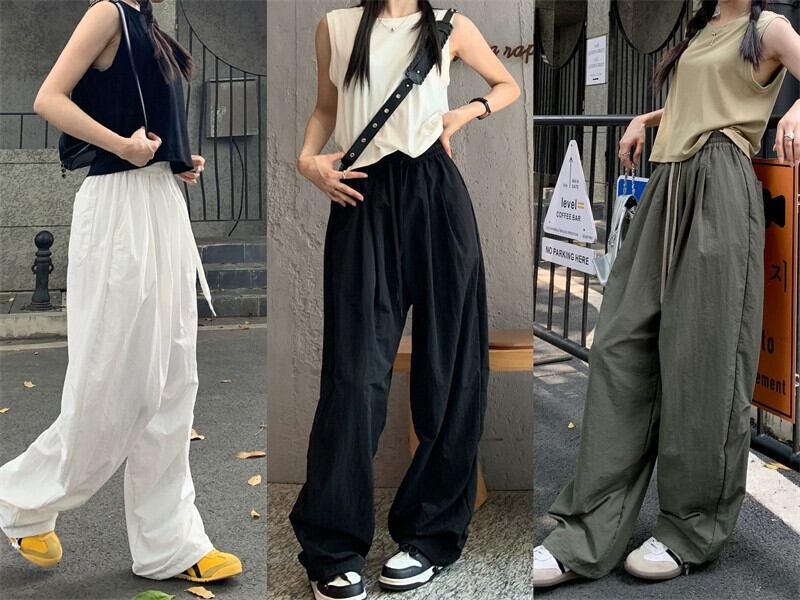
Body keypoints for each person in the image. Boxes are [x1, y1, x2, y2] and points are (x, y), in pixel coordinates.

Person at [534, 0, 800, 588]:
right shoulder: (703, 28)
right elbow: (697, 99)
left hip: (720, 186)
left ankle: (691, 528)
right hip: (666, 185)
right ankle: (587, 530)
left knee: (703, 361)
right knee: (620, 345)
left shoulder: (769, 29)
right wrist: (646, 118)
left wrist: (796, 111)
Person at [0, 0, 242, 584]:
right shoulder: (108, 12)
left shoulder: (147, 22)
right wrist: (122, 146)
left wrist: (173, 161)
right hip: (118, 211)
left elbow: (141, 119)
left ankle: (170, 543)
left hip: (159, 202)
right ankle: (19, 499)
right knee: (114, 383)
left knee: (173, 380)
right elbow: (49, 99)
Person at [288, 1, 520, 598]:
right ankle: (333, 546)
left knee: (450, 368)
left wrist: (463, 113)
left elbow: (507, 84)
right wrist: (308, 161)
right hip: (361, 197)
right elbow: (326, 107)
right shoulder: (336, 26)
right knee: (354, 376)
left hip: (435, 193)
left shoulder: (451, 24)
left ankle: (430, 537)